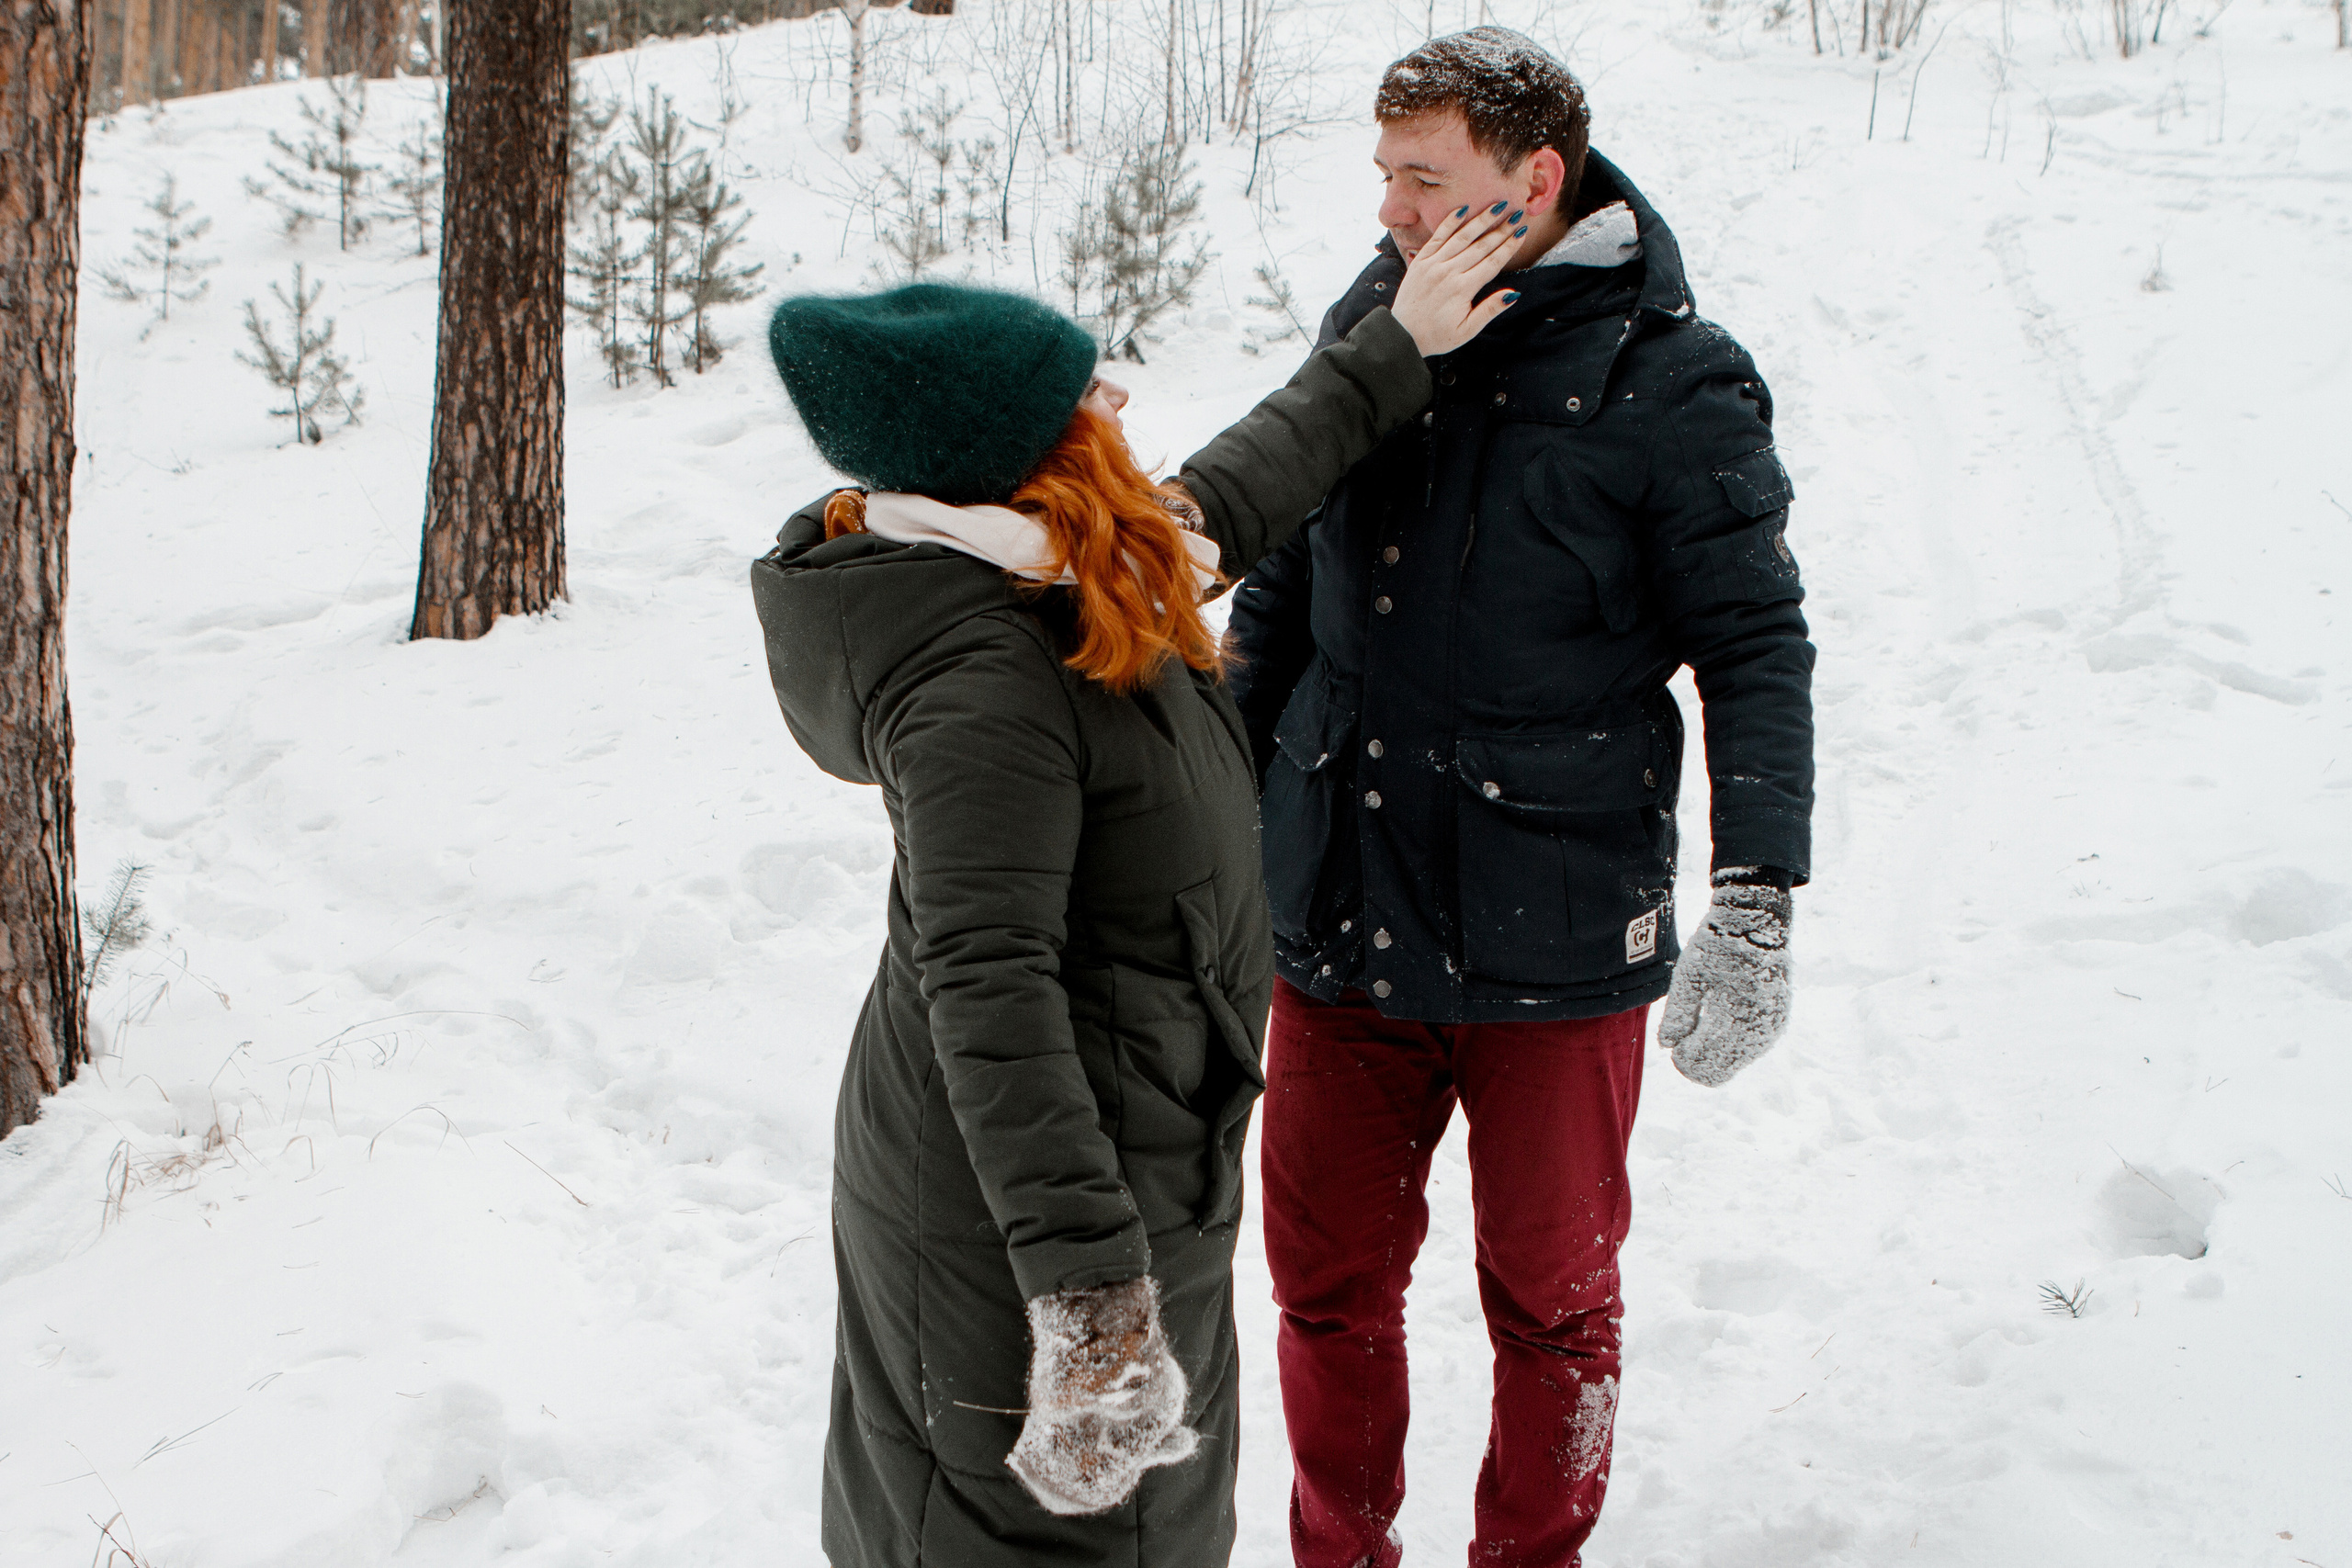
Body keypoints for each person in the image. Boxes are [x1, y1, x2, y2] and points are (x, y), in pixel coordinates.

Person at [750, 207, 1521, 1568]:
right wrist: (1089, 1301)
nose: (1115, 397)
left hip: (1124, 1153)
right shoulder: (980, 682)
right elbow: (986, 990)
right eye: (1079, 393)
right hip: (1024, 1215)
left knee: (1146, 1529)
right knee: (1033, 1540)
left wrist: (1392, 349)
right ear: (1021, 453)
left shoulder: (1068, 570)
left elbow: (1231, 496)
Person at [1226, 28, 1817, 1568]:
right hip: (1341, 908)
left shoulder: (1672, 380)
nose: (1392, 215)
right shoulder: (1377, 322)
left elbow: (1754, 649)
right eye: (1385, 177)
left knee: (1555, 1299)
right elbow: (1282, 578)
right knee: (1324, 1283)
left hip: (1552, 939)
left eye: (1426, 180)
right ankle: (1336, 1555)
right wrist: (1224, 823)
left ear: (1535, 180)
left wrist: (1754, 899)